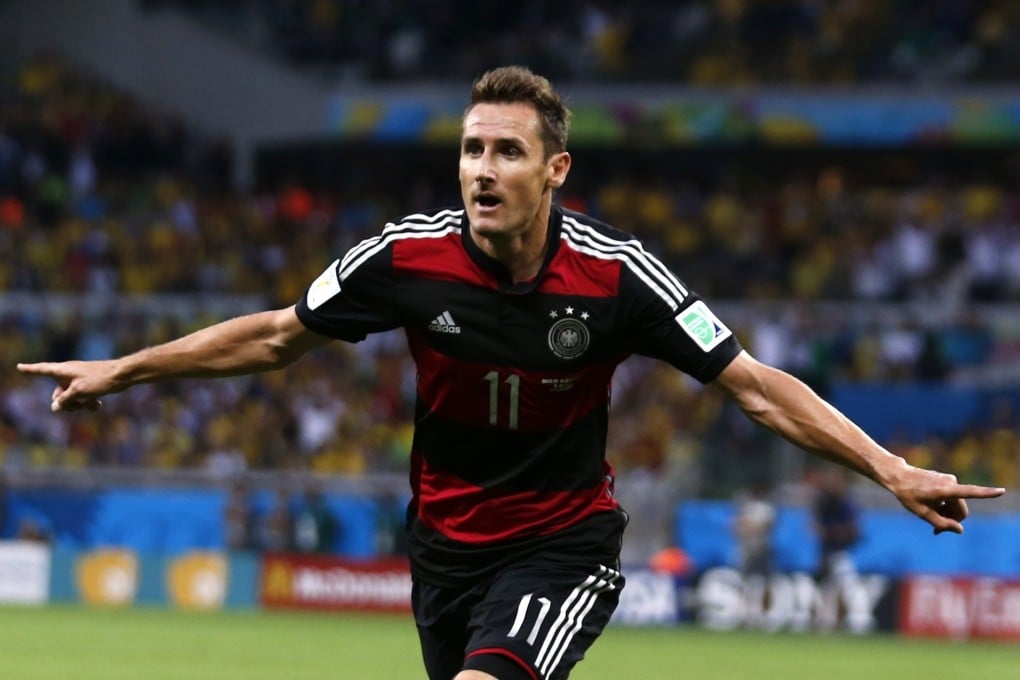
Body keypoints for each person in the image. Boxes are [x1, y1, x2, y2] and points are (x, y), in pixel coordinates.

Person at [16, 66, 1005, 680]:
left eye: (507, 152)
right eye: (470, 149)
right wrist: (125, 369)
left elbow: (750, 381)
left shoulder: (619, 275)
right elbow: (276, 335)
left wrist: (888, 465)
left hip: (564, 543)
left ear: (556, 170)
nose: (482, 169)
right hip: (443, 547)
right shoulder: (403, 259)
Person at [812, 466, 862, 583]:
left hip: (844, 554)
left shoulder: (848, 503)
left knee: (842, 569)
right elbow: (816, 527)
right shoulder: (823, 501)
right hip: (827, 554)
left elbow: (853, 531)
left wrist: (831, 532)